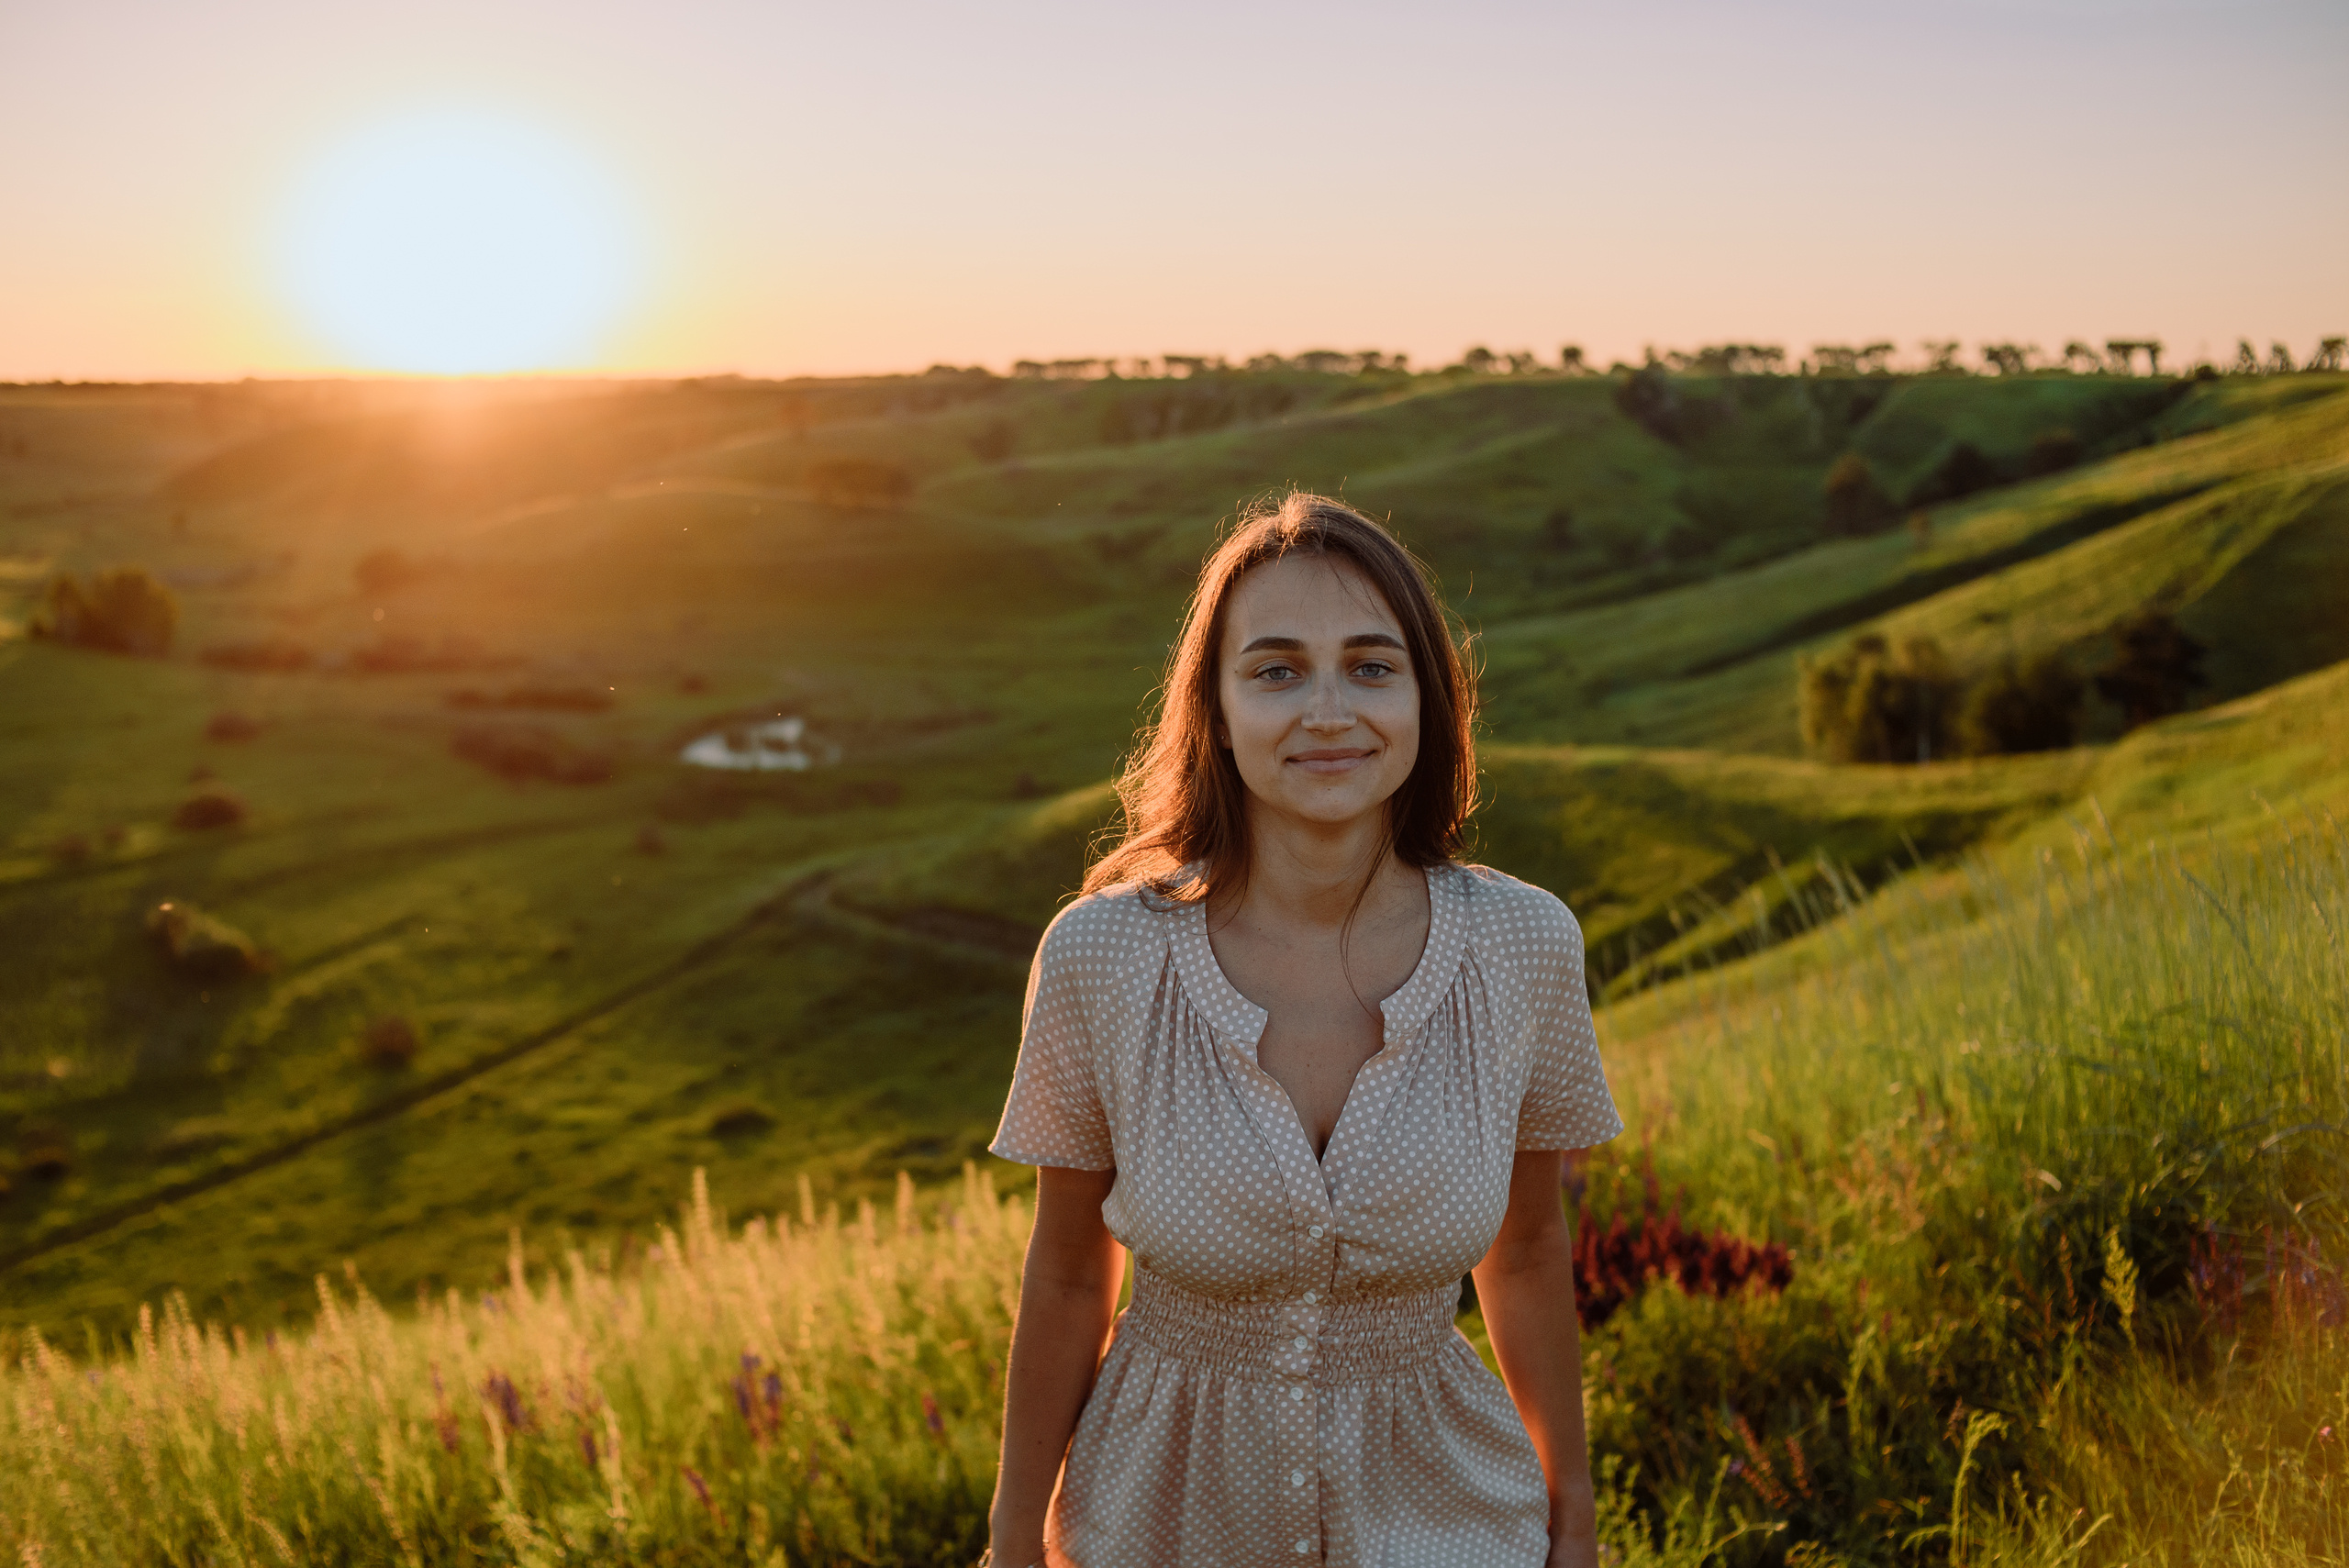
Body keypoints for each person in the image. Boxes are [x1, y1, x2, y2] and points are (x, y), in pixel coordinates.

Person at [984, 494, 1621, 1568]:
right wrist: (1010, 1539)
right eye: (1275, 669)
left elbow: (1526, 1248)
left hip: (1448, 1513)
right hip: (1158, 1518)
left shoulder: (1524, 944)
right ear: (1218, 712)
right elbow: (1064, 1276)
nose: (1328, 709)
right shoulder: (1102, 956)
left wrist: (1571, 1508)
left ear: (1428, 700)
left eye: (1372, 666)